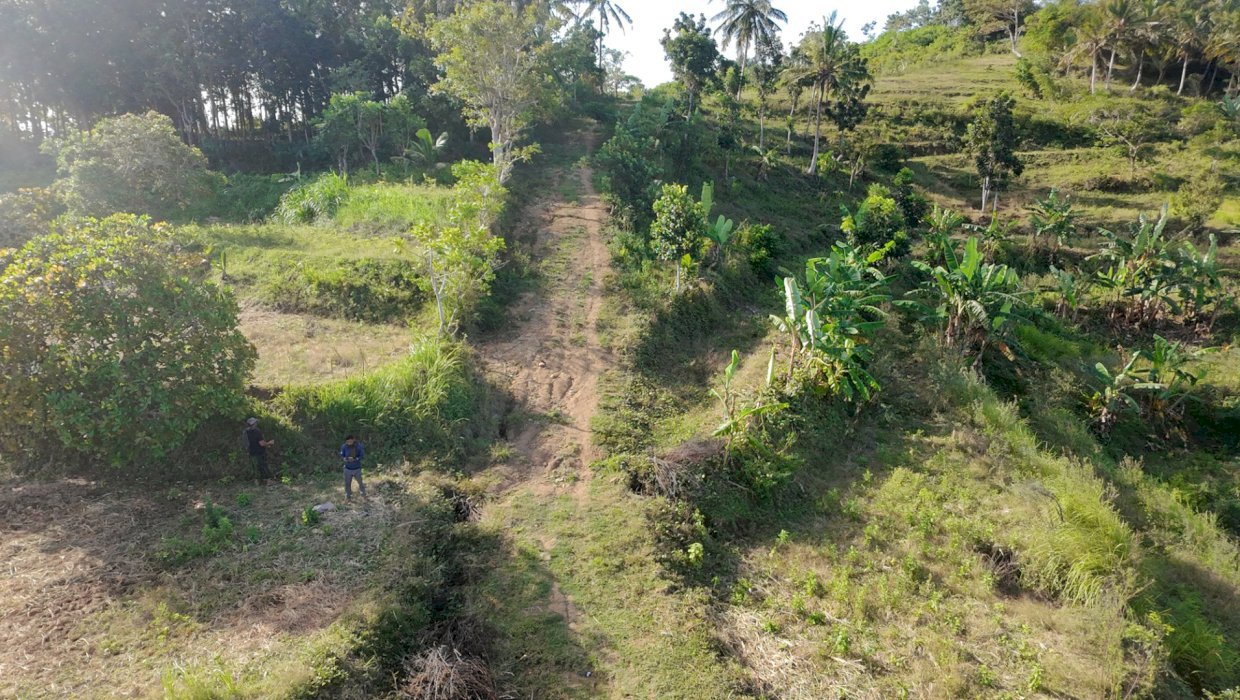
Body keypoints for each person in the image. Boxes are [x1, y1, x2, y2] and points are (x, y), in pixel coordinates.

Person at [243, 417, 275, 482]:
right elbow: (261, 444)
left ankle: (257, 481)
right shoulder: (257, 431)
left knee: (255, 467)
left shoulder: (246, 431)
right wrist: (269, 442)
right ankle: (268, 481)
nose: (256, 423)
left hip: (251, 452)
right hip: (260, 452)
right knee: (263, 466)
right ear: (254, 423)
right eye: (256, 422)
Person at [340, 435, 367, 499]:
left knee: (360, 482)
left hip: (357, 468)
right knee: (347, 483)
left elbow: (362, 455)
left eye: (350, 441)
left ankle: (363, 494)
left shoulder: (359, 446)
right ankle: (348, 496)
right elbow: (341, 454)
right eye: (347, 442)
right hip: (347, 468)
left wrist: (356, 459)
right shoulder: (344, 446)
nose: (349, 443)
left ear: (353, 440)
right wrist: (344, 458)